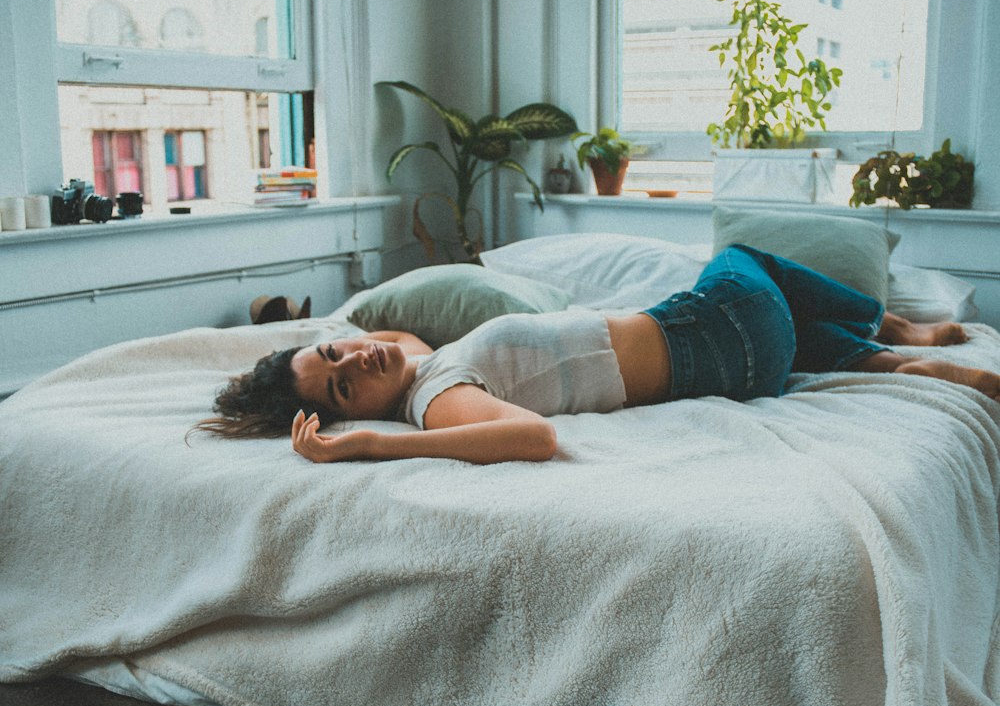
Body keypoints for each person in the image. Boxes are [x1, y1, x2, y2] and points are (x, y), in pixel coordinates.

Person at [197, 245, 1000, 465]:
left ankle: (885, 364)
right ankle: (900, 331)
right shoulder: (435, 400)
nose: (357, 362)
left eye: (338, 348)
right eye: (341, 388)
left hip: (746, 366)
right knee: (749, 258)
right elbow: (535, 438)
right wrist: (371, 444)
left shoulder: (416, 360)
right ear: (358, 414)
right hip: (715, 332)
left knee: (790, 330)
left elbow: (389, 338)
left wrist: (326, 356)